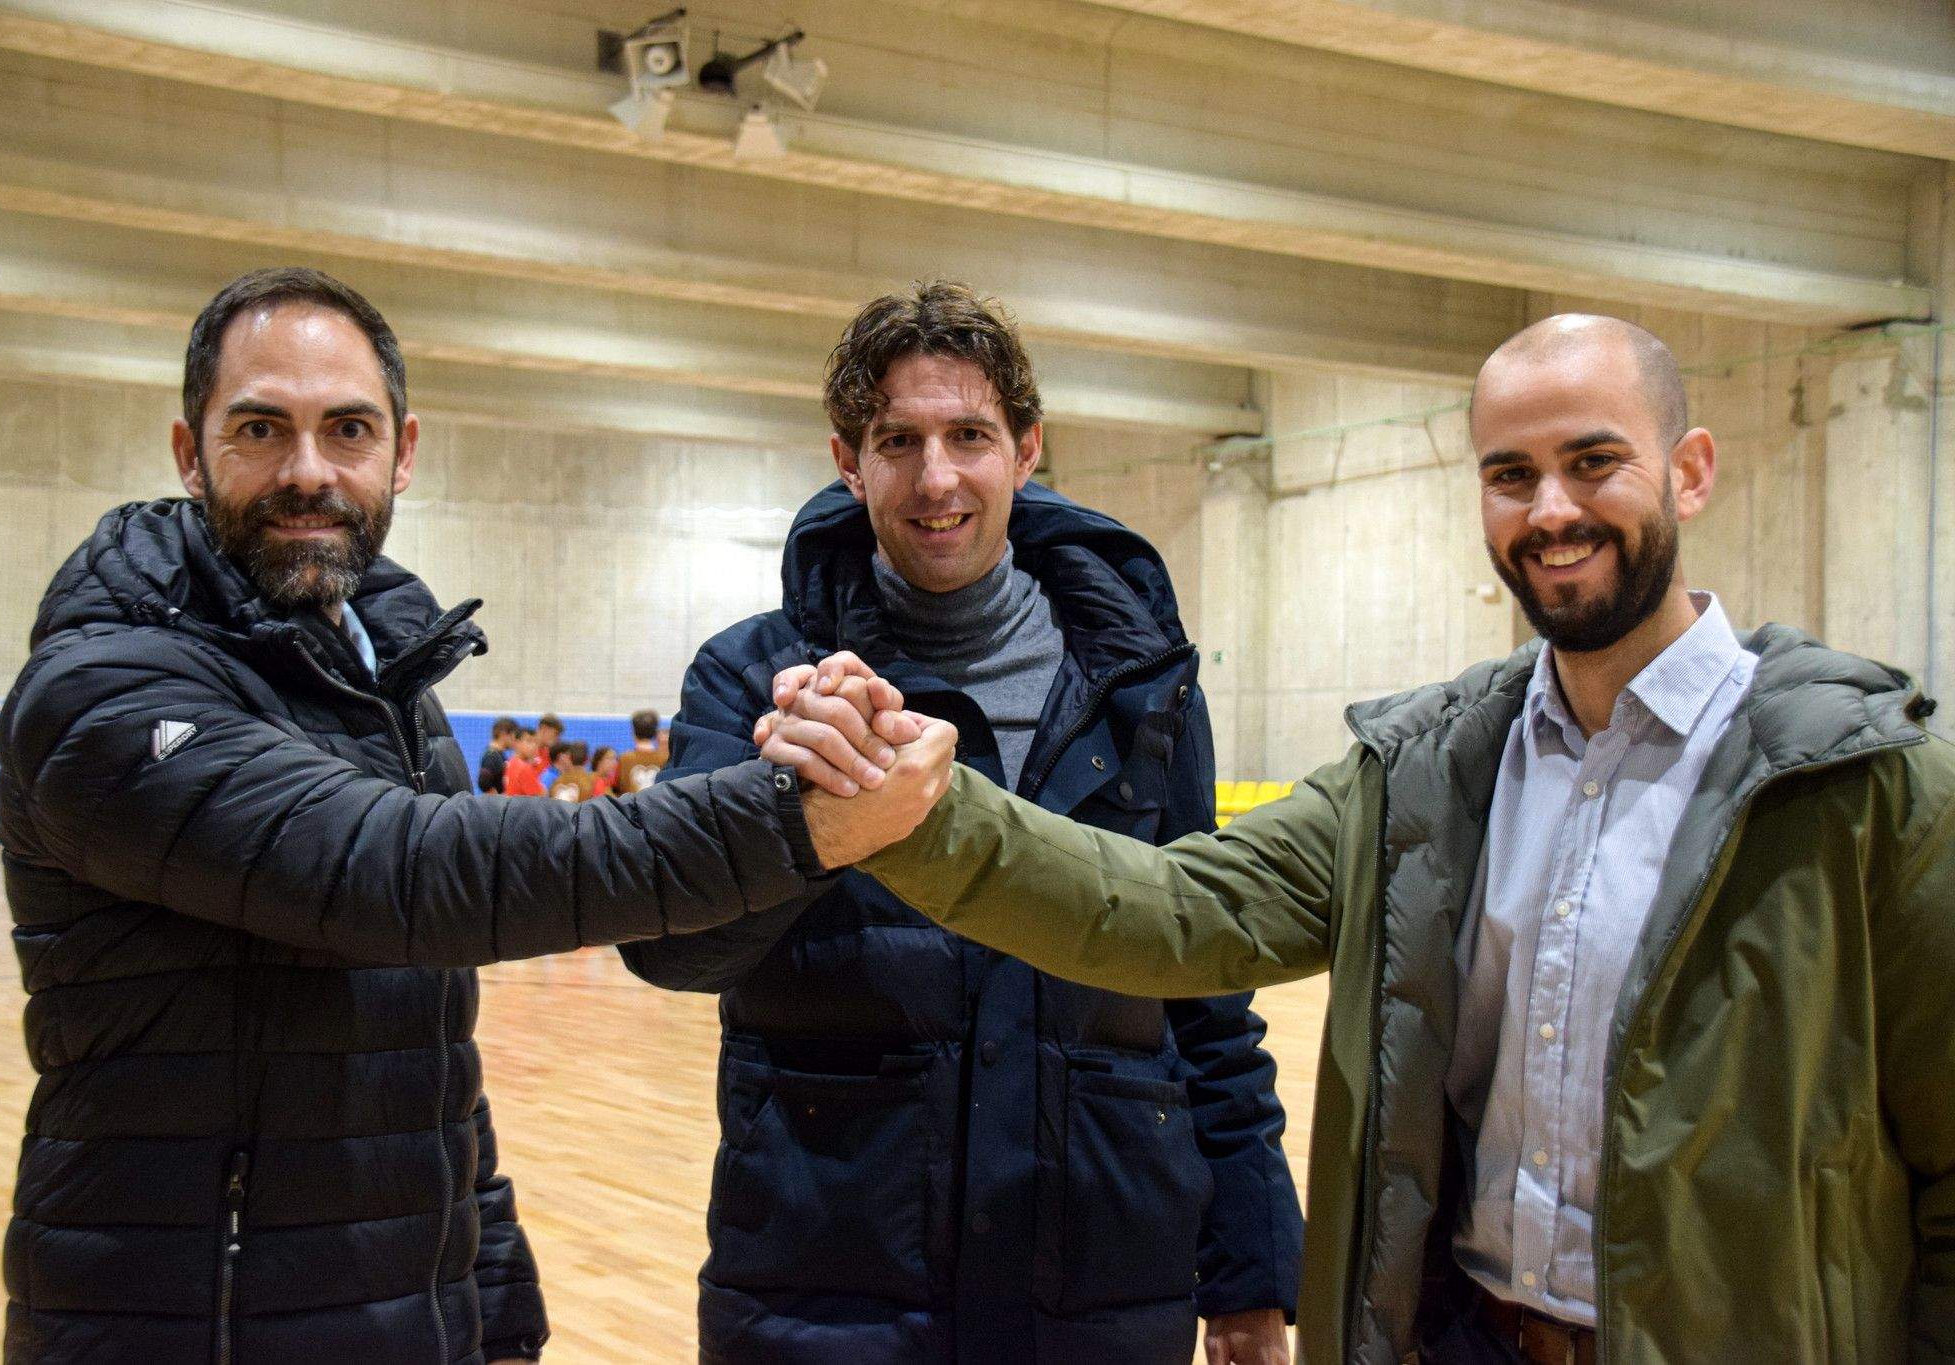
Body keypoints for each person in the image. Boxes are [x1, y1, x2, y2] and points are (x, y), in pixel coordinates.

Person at [781, 314, 1955, 1363]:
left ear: (1688, 472)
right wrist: (918, 812)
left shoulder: (1867, 787)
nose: (1550, 510)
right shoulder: (1423, 772)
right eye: (1510, 475)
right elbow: (1172, 911)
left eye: (1593, 462)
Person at [0, 266, 851, 1365]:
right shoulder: (103, 691)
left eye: (346, 429)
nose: (308, 470)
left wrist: (493, 1299)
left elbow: (428, 1047)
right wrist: (793, 817)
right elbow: (400, 876)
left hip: (403, 1313)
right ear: (188, 452)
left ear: (401, 453)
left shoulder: (386, 685)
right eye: (260, 428)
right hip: (181, 1323)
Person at [623, 282, 1302, 1364]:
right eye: (898, 441)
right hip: (827, 1290)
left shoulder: (1141, 689)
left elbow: (1209, 992)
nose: (936, 478)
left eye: (969, 436)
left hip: (1095, 1286)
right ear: (848, 462)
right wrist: (788, 815)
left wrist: (1250, 1269)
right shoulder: (754, 680)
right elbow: (670, 948)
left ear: (1027, 450)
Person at [613, 707, 668, 793]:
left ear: (634, 732)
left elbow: (617, 787)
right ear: (655, 733)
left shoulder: (624, 759)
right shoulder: (665, 759)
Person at [478, 714, 519, 793]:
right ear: (503, 734)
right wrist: (498, 798)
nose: (516, 740)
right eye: (515, 736)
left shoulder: (499, 755)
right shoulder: (491, 756)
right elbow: (484, 783)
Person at [502, 724, 547, 796]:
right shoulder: (524, 768)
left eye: (536, 742)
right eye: (529, 741)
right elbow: (541, 797)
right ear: (517, 743)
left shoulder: (510, 763)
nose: (534, 746)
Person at [533, 712, 564, 790]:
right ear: (544, 730)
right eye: (556, 734)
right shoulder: (526, 755)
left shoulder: (550, 754)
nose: (558, 739)